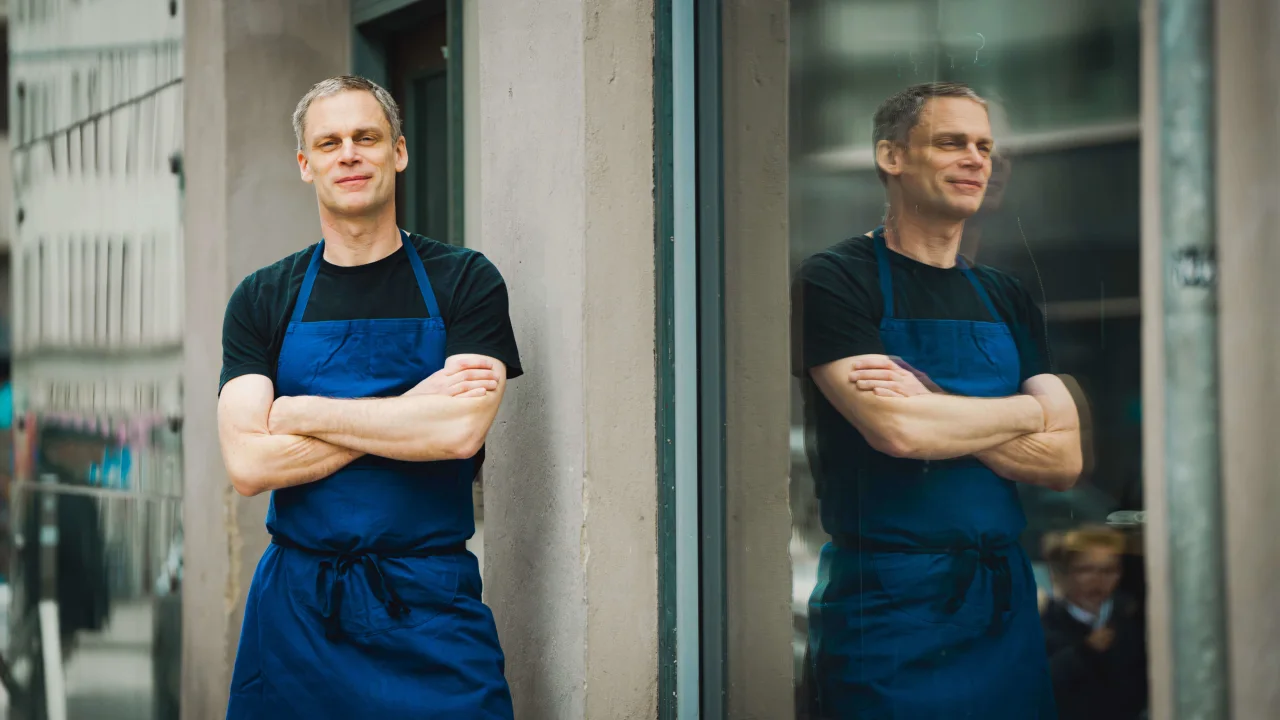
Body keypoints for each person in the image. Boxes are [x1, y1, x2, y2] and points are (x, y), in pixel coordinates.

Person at [217, 75, 521, 719]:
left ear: (399, 151)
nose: (348, 153)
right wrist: (411, 409)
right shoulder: (261, 297)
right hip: (299, 615)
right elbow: (248, 466)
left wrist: (301, 413)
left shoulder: (465, 280)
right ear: (306, 164)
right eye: (328, 142)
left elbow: (457, 434)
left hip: (430, 607)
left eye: (366, 137)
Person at [792, 81, 1085, 718]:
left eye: (984, 146)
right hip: (888, 603)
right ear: (891, 157)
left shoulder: (1006, 296)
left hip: (1002, 601)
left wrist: (935, 399)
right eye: (952, 142)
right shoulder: (837, 279)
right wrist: (1034, 412)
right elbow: (899, 433)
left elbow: (1065, 463)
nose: (976, 159)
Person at [1041, 526, 1148, 720]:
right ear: (1065, 574)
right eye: (1085, 569)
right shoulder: (1044, 623)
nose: (1097, 580)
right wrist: (1085, 652)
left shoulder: (1134, 622)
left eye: (1108, 570)